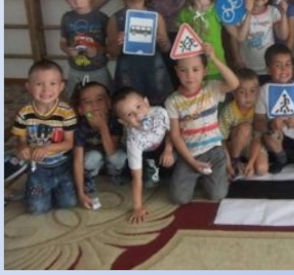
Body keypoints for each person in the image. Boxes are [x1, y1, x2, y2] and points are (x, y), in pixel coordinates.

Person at [165, 43, 240, 206]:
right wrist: (191, 161)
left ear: (205, 71)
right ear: (176, 72)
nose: (189, 75)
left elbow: (234, 84)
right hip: (189, 154)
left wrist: (214, 59)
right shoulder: (172, 101)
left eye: (195, 69)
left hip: (214, 152)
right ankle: (197, 175)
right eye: (183, 70)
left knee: (217, 195)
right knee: (178, 198)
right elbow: (175, 135)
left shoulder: (211, 89)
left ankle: (209, 177)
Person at [11, 60, 78, 214]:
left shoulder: (66, 112)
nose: (46, 89)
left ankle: (52, 189)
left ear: (61, 86)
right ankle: (32, 189)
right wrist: (23, 147)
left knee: (68, 203)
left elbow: (69, 143)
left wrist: (46, 148)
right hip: (37, 169)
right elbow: (20, 141)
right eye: (39, 84)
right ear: (29, 86)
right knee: (37, 209)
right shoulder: (24, 113)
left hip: (62, 166)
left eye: (52, 83)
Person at [106, 0, 174, 106]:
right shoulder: (115, 19)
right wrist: (118, 43)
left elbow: (167, 48)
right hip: (127, 73)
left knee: (159, 108)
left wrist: (163, 41)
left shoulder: (157, 18)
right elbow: (112, 53)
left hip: (154, 71)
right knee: (129, 107)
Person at [112, 87, 175, 224]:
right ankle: (128, 169)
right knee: (148, 181)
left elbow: (172, 132)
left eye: (138, 107)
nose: (138, 115)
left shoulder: (160, 112)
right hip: (143, 151)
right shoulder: (133, 141)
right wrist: (137, 207)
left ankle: (158, 164)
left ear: (146, 102)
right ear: (123, 122)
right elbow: (137, 177)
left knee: (172, 161)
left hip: (161, 143)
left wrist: (168, 150)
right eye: (129, 114)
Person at [254, 44, 294, 174]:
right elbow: (258, 121)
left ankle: (288, 157)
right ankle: (281, 157)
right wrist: (270, 125)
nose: (284, 69)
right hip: (276, 139)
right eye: (278, 65)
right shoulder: (263, 91)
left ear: (292, 67)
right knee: (270, 135)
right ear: (268, 69)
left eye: (288, 64)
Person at [71, 82, 127, 208]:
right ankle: (90, 176)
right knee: (92, 157)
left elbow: (112, 151)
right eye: (87, 102)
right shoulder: (80, 128)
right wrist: (81, 193)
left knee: (119, 157)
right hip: (94, 159)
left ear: (109, 103)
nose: (94, 106)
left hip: (109, 155)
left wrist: (102, 126)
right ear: (81, 110)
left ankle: (114, 172)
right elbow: (78, 161)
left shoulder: (115, 121)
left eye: (100, 100)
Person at [59, 0, 112, 99]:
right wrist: (68, 50)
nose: (77, 1)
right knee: (74, 99)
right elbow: (62, 42)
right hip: (75, 70)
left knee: (104, 98)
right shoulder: (66, 18)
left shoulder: (102, 18)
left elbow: (111, 47)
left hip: (99, 69)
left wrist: (97, 51)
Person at [230, 0, 288, 82]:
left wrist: (284, 14)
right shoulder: (240, 13)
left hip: (269, 67)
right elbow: (234, 38)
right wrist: (237, 59)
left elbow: (283, 35)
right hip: (247, 66)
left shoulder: (272, 11)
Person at [177, 0, 225, 80]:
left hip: (216, 66)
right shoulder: (184, 14)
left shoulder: (219, 9)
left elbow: (237, 35)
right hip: (194, 72)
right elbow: (182, 44)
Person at [219, 68, 269, 177]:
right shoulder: (227, 111)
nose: (248, 96)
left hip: (252, 145)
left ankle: (246, 163)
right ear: (234, 93)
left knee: (261, 169)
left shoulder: (259, 109)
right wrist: (228, 165)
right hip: (233, 145)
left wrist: (251, 162)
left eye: (252, 91)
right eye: (242, 92)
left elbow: (257, 139)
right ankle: (235, 160)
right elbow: (221, 140)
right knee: (245, 128)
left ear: (258, 91)